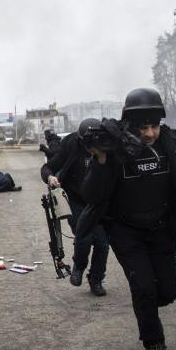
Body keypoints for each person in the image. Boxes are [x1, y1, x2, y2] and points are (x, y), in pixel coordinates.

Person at [81, 88, 176, 350]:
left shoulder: (171, 143)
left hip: (163, 229)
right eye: (143, 127)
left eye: (154, 126)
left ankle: (147, 304)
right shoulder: (113, 148)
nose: (150, 133)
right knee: (144, 288)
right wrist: (100, 163)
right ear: (130, 124)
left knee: (167, 291)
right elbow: (90, 194)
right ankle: (154, 345)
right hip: (126, 232)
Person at [40, 118, 110, 296]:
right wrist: (51, 178)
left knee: (102, 243)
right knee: (84, 235)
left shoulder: (108, 148)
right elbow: (48, 167)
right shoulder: (71, 144)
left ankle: (96, 278)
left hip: (99, 202)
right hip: (75, 200)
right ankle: (78, 267)